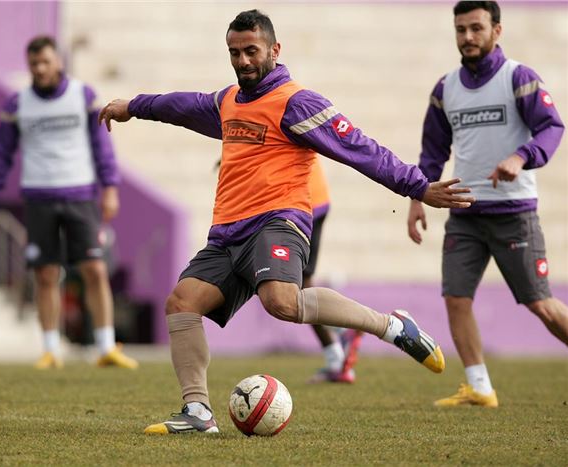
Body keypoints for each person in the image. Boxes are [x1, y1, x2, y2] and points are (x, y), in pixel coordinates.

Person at [99, 10, 474, 434]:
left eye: (251, 51)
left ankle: (391, 326)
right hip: (227, 233)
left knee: (281, 302)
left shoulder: (297, 103)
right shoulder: (228, 101)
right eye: (234, 53)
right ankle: (198, 412)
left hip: (278, 221)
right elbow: (182, 105)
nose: (243, 61)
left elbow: (361, 148)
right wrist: (133, 107)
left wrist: (418, 187)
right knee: (182, 303)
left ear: (275, 50)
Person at [407, 1, 567, 408]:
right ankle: (480, 387)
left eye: (476, 28)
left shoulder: (519, 78)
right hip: (464, 215)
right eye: (460, 29)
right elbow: (432, 151)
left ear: (497, 30)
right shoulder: (445, 88)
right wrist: (417, 197)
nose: (468, 37)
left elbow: (552, 127)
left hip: (514, 214)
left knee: (541, 304)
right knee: (456, 299)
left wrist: (521, 157)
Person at [0, 36, 138, 370]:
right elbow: (0, 155)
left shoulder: (84, 96)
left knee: (94, 268)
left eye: (45, 62)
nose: (39, 69)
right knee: (46, 273)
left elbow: (102, 146)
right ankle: (51, 350)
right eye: (33, 64)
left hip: (80, 195)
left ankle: (106, 346)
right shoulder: (17, 104)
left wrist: (110, 187)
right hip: (38, 197)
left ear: (59, 62)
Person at [305, 157, 363, 384]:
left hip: (301, 202)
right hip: (309, 198)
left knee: (288, 288)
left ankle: (342, 328)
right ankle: (336, 359)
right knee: (298, 285)